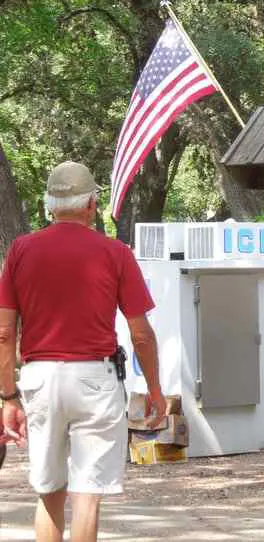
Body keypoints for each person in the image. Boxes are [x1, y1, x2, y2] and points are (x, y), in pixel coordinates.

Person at [0, 161, 165, 542]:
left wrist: (8, 396)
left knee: (49, 493)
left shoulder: (21, 250)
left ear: (49, 205)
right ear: (92, 204)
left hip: (40, 377)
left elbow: (5, 332)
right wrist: (155, 390)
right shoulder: (115, 252)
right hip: (95, 377)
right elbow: (141, 334)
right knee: (87, 495)